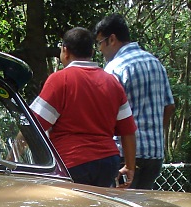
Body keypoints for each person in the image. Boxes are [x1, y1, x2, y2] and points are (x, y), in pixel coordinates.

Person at [28, 27, 136, 188]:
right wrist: (130, 166)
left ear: (65, 50)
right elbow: (128, 130)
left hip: (71, 162)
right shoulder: (112, 82)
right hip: (108, 163)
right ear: (92, 51)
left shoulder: (60, 80)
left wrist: (9, 159)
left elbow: (33, 126)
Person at [95, 13, 175, 189]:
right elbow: (169, 106)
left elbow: (106, 113)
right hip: (154, 155)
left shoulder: (115, 68)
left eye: (100, 43)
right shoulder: (156, 63)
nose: (100, 49)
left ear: (112, 39)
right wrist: (154, 133)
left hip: (125, 156)